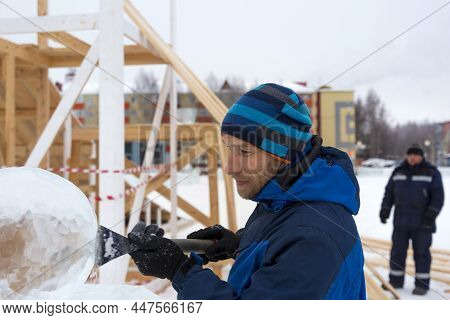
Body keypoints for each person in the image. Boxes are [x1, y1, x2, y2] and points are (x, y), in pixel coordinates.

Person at [128, 83, 366, 299]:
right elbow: (281, 238)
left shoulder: (313, 240)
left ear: (283, 156)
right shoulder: (285, 202)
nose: (230, 167)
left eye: (244, 152)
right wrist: (238, 243)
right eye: (229, 148)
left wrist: (180, 271)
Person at [380, 144, 444, 295]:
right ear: (406, 156)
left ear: (421, 156)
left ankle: (421, 285)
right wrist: (385, 210)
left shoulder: (431, 172)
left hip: (423, 223)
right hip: (401, 221)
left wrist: (431, 215)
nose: (412, 157)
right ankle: (395, 281)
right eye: (410, 154)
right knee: (397, 252)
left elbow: (438, 197)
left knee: (421, 253)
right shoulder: (398, 171)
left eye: (416, 154)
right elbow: (389, 193)